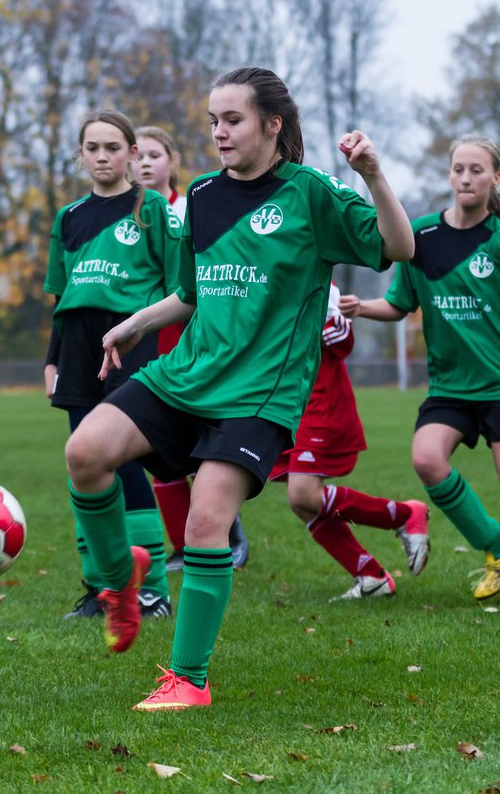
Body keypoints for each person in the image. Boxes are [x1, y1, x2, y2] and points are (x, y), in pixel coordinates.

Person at [64, 67, 413, 711]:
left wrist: (373, 174)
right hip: (185, 375)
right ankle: (120, 584)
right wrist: (133, 324)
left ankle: (187, 681)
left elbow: (399, 245)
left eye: (233, 120)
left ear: (271, 124)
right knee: (85, 453)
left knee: (206, 523)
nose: (220, 132)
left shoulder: (310, 193)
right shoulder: (200, 196)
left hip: (258, 394)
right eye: (213, 121)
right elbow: (193, 293)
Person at [340, 134, 500, 608]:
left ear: (495, 178)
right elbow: (398, 304)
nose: (466, 177)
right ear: (449, 175)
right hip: (451, 386)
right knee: (427, 459)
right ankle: (499, 552)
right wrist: (361, 307)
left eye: (476, 169)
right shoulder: (421, 236)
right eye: (458, 169)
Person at [43, 111, 173, 620]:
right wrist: (51, 360)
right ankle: (101, 588)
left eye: (112, 147)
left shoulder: (153, 209)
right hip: (78, 347)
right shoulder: (68, 218)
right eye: (92, 148)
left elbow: (181, 285)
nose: (102, 156)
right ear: (80, 155)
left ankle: (153, 589)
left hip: (132, 342)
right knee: (84, 463)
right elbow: (62, 296)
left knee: (125, 460)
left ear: (131, 154)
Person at [134, 125, 249, 572]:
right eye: (138, 155)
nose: (145, 163)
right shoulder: (128, 217)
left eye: (154, 154)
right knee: (159, 450)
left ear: (172, 162)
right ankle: (182, 545)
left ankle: (229, 538)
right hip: (150, 334)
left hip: (195, 337)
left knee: (205, 446)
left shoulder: (193, 207)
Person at [272, 282, 429, 601]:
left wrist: (340, 332)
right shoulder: (260, 273)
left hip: (319, 400)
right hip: (286, 403)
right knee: (301, 502)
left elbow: (342, 338)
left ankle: (404, 514)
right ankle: (371, 576)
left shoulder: (315, 278)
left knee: (304, 493)